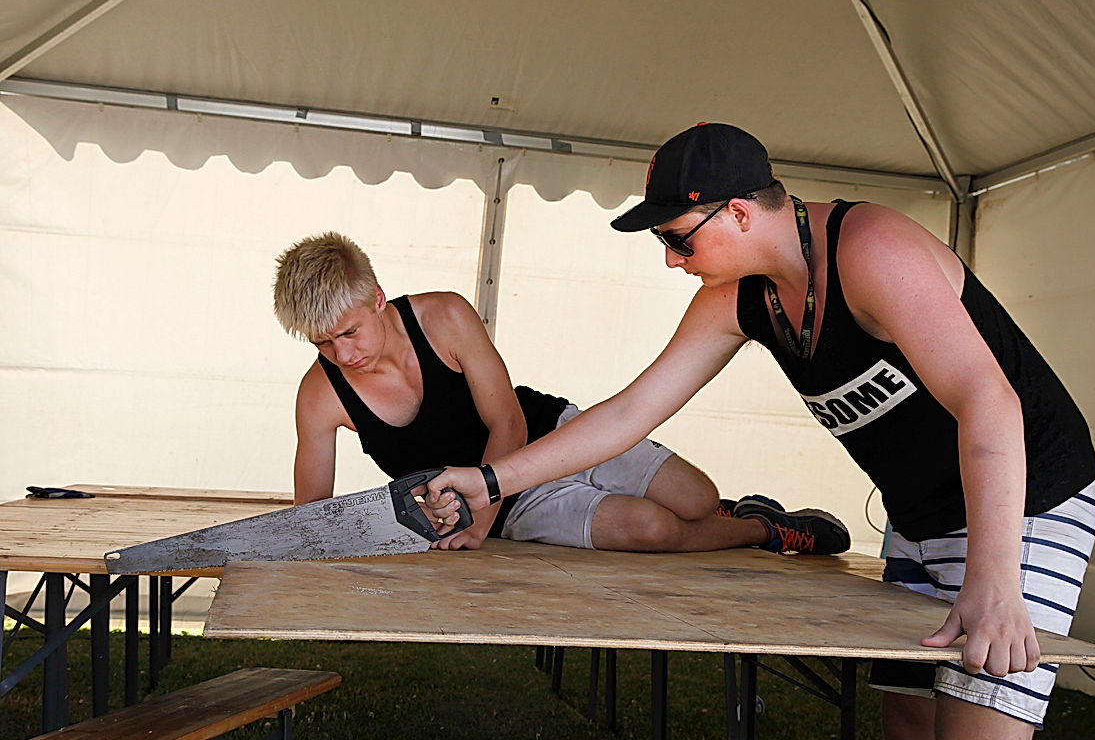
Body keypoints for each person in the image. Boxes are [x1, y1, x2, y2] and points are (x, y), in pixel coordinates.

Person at [429, 123, 1095, 740]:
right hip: (922, 515)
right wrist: (492, 480)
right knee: (910, 729)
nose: (671, 260)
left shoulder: (871, 251)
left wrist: (995, 577)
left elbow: (990, 400)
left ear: (741, 214)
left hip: (1026, 495)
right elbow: (629, 414)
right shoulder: (738, 298)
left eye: (676, 240)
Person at [271, 231, 850, 555]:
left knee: (698, 497)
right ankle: (765, 530)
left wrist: (478, 512)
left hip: (546, 436)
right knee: (654, 530)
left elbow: (510, 426)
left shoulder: (444, 316)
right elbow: (312, 516)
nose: (343, 355)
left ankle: (724, 513)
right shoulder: (319, 396)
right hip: (507, 507)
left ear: (377, 297)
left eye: (349, 332)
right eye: (323, 344)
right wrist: (474, 524)